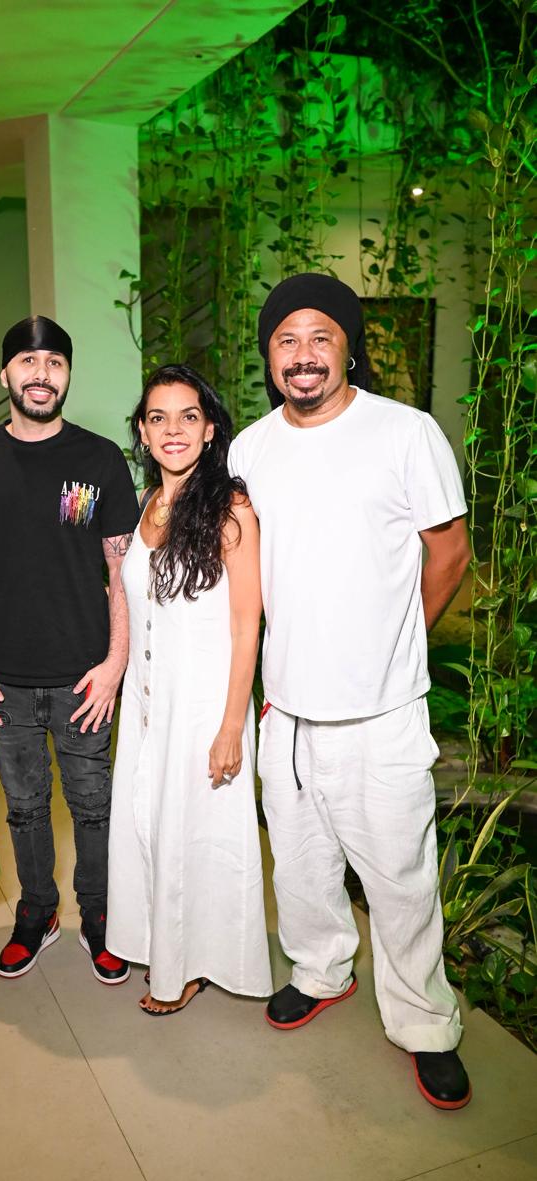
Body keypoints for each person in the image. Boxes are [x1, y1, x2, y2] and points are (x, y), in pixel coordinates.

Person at [228, 272, 473, 1108]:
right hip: (288, 711)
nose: (302, 356)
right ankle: (322, 970)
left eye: (319, 337)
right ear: (268, 356)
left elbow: (448, 554)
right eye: (286, 340)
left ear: (348, 347)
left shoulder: (407, 434)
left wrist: (396, 644)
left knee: (401, 880)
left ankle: (425, 1023)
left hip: (383, 713)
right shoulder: (250, 449)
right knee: (298, 867)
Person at [0, 316, 139, 984]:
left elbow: (121, 572)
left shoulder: (99, 459)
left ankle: (100, 915)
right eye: (27, 361)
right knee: (26, 807)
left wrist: (116, 663)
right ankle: (37, 912)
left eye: (54, 362)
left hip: (84, 674)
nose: (41, 373)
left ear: (67, 375)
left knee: (94, 806)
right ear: (6, 374)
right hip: (3, 675)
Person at [107, 366, 273, 1014]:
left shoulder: (231, 509)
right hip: (150, 702)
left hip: (205, 702)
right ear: (143, 432)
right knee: (151, 827)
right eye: (158, 417)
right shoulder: (150, 500)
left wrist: (232, 725)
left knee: (197, 839)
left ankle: (187, 967)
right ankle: (163, 944)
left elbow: (245, 623)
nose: (172, 430)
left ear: (209, 430)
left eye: (187, 417)